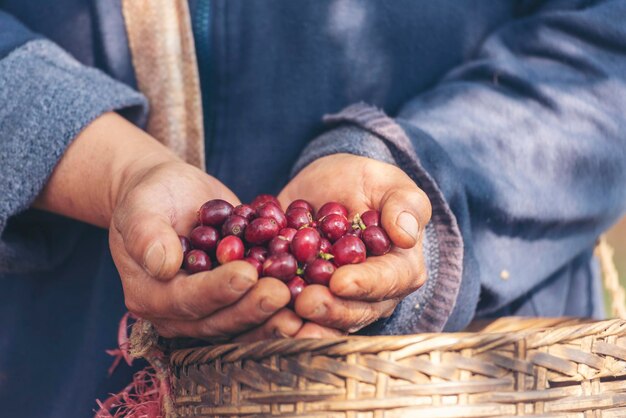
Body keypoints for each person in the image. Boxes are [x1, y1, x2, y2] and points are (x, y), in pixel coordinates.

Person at [1, 0, 626, 416]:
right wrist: (112, 169)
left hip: (462, 378)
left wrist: (423, 186)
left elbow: (607, 46)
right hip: (64, 366)